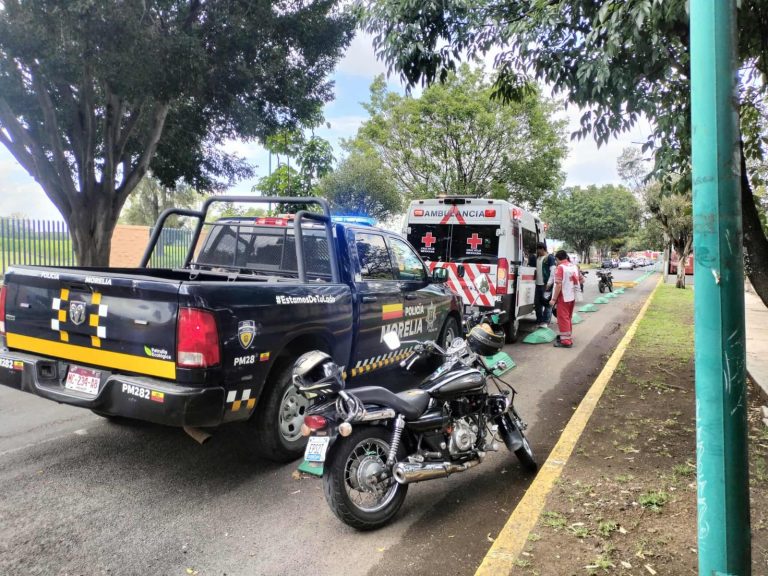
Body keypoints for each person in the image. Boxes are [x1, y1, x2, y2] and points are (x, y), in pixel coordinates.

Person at [549, 250, 581, 348]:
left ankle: (566, 341)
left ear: (557, 259)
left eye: (556, 260)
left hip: (563, 296)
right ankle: (566, 335)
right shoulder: (573, 266)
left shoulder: (560, 268)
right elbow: (581, 279)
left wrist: (553, 299)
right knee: (568, 317)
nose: (556, 262)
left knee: (563, 318)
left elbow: (558, 284)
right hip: (572, 296)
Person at [529, 242, 555, 329]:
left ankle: (545, 321)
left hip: (546, 285)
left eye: (538, 249)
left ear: (543, 249)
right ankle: (539, 320)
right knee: (537, 304)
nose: (537, 251)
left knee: (547, 304)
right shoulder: (537, 258)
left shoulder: (549, 258)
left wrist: (549, 283)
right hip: (538, 284)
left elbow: (553, 271)